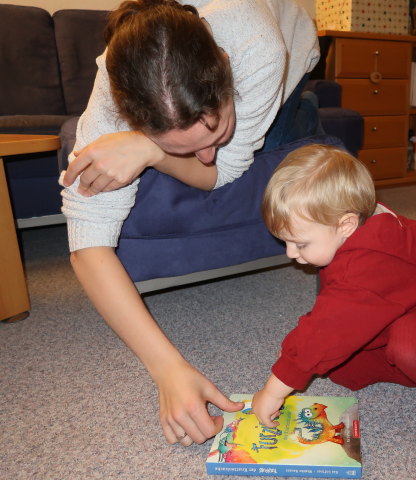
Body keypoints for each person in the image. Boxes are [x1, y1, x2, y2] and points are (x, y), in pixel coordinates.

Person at [59, 0, 320, 447]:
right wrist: (167, 368)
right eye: (183, 147)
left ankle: (300, 113)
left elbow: (224, 173)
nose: (205, 155)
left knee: (266, 144)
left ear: (226, 69)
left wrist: (155, 152)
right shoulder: (113, 85)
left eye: (215, 134)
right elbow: (87, 238)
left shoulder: (257, 47)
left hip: (292, 44)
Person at [251, 144, 416, 450]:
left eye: (300, 243)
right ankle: (413, 367)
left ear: (346, 224)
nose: (291, 254)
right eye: (285, 242)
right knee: (341, 368)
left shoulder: (366, 263)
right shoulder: (362, 222)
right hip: (396, 319)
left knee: (401, 342)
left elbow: (327, 328)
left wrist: (274, 390)